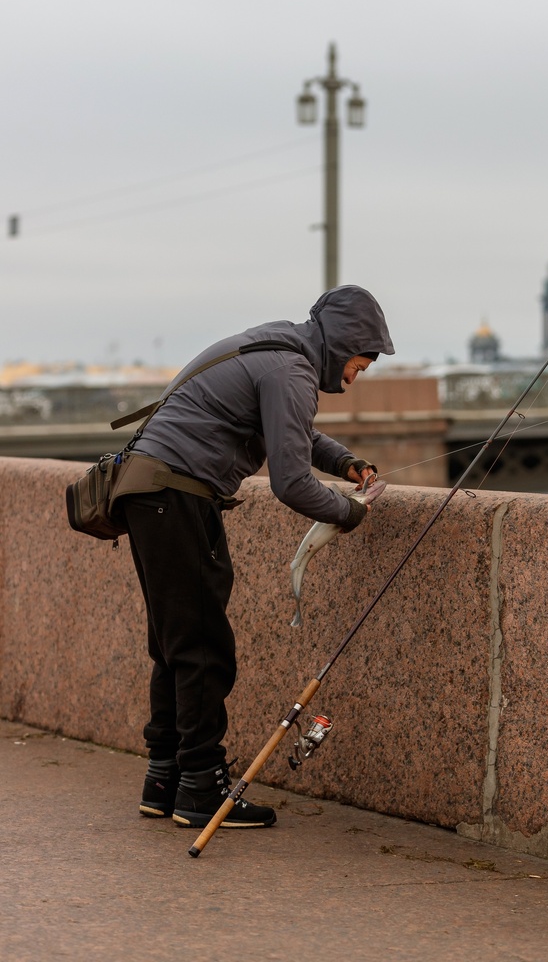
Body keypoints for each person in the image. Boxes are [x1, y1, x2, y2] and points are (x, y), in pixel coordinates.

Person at [119, 285, 394, 830]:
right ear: (343, 345)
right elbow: (291, 483)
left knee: (174, 643)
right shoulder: (292, 371)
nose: (358, 375)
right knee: (202, 648)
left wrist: (343, 462)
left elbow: (292, 430)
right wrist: (349, 512)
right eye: (361, 364)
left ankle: (164, 778)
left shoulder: (274, 349)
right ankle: (200, 786)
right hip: (178, 494)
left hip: (147, 490)